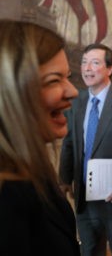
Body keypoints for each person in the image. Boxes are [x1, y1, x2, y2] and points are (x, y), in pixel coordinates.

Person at [0, 20, 80, 255]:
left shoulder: (30, 174)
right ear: (9, 93)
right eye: (54, 80)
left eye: (68, 77)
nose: (73, 91)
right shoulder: (7, 196)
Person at [59, 43, 112, 256]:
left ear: (109, 69)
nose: (87, 68)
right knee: (88, 251)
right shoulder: (77, 102)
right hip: (83, 197)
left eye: (95, 62)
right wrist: (64, 180)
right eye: (83, 62)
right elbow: (70, 142)